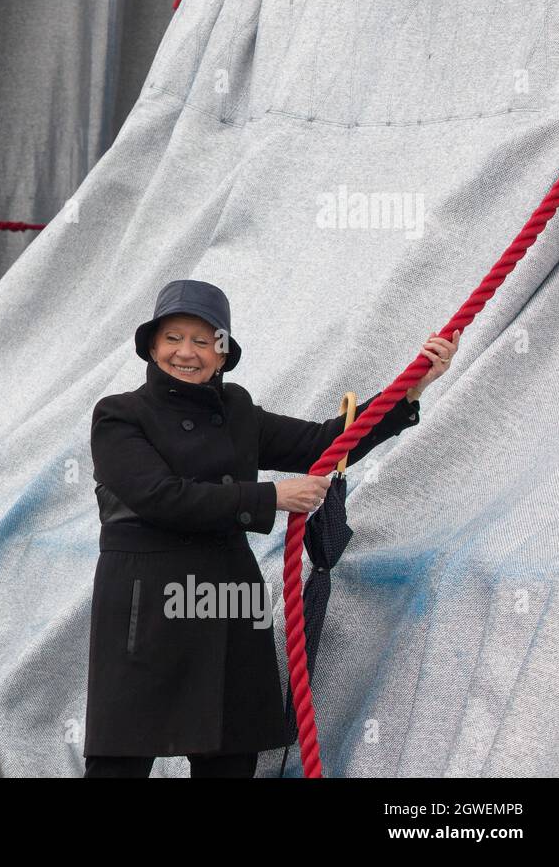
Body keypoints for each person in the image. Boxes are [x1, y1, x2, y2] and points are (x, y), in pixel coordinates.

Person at [84, 279, 458, 778]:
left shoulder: (237, 410)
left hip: (227, 600)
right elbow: (160, 497)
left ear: (222, 354)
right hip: (146, 604)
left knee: (230, 756)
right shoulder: (118, 416)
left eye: (203, 340)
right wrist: (271, 497)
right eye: (173, 338)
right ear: (152, 346)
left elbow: (326, 442)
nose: (186, 352)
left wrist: (411, 388)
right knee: (119, 762)